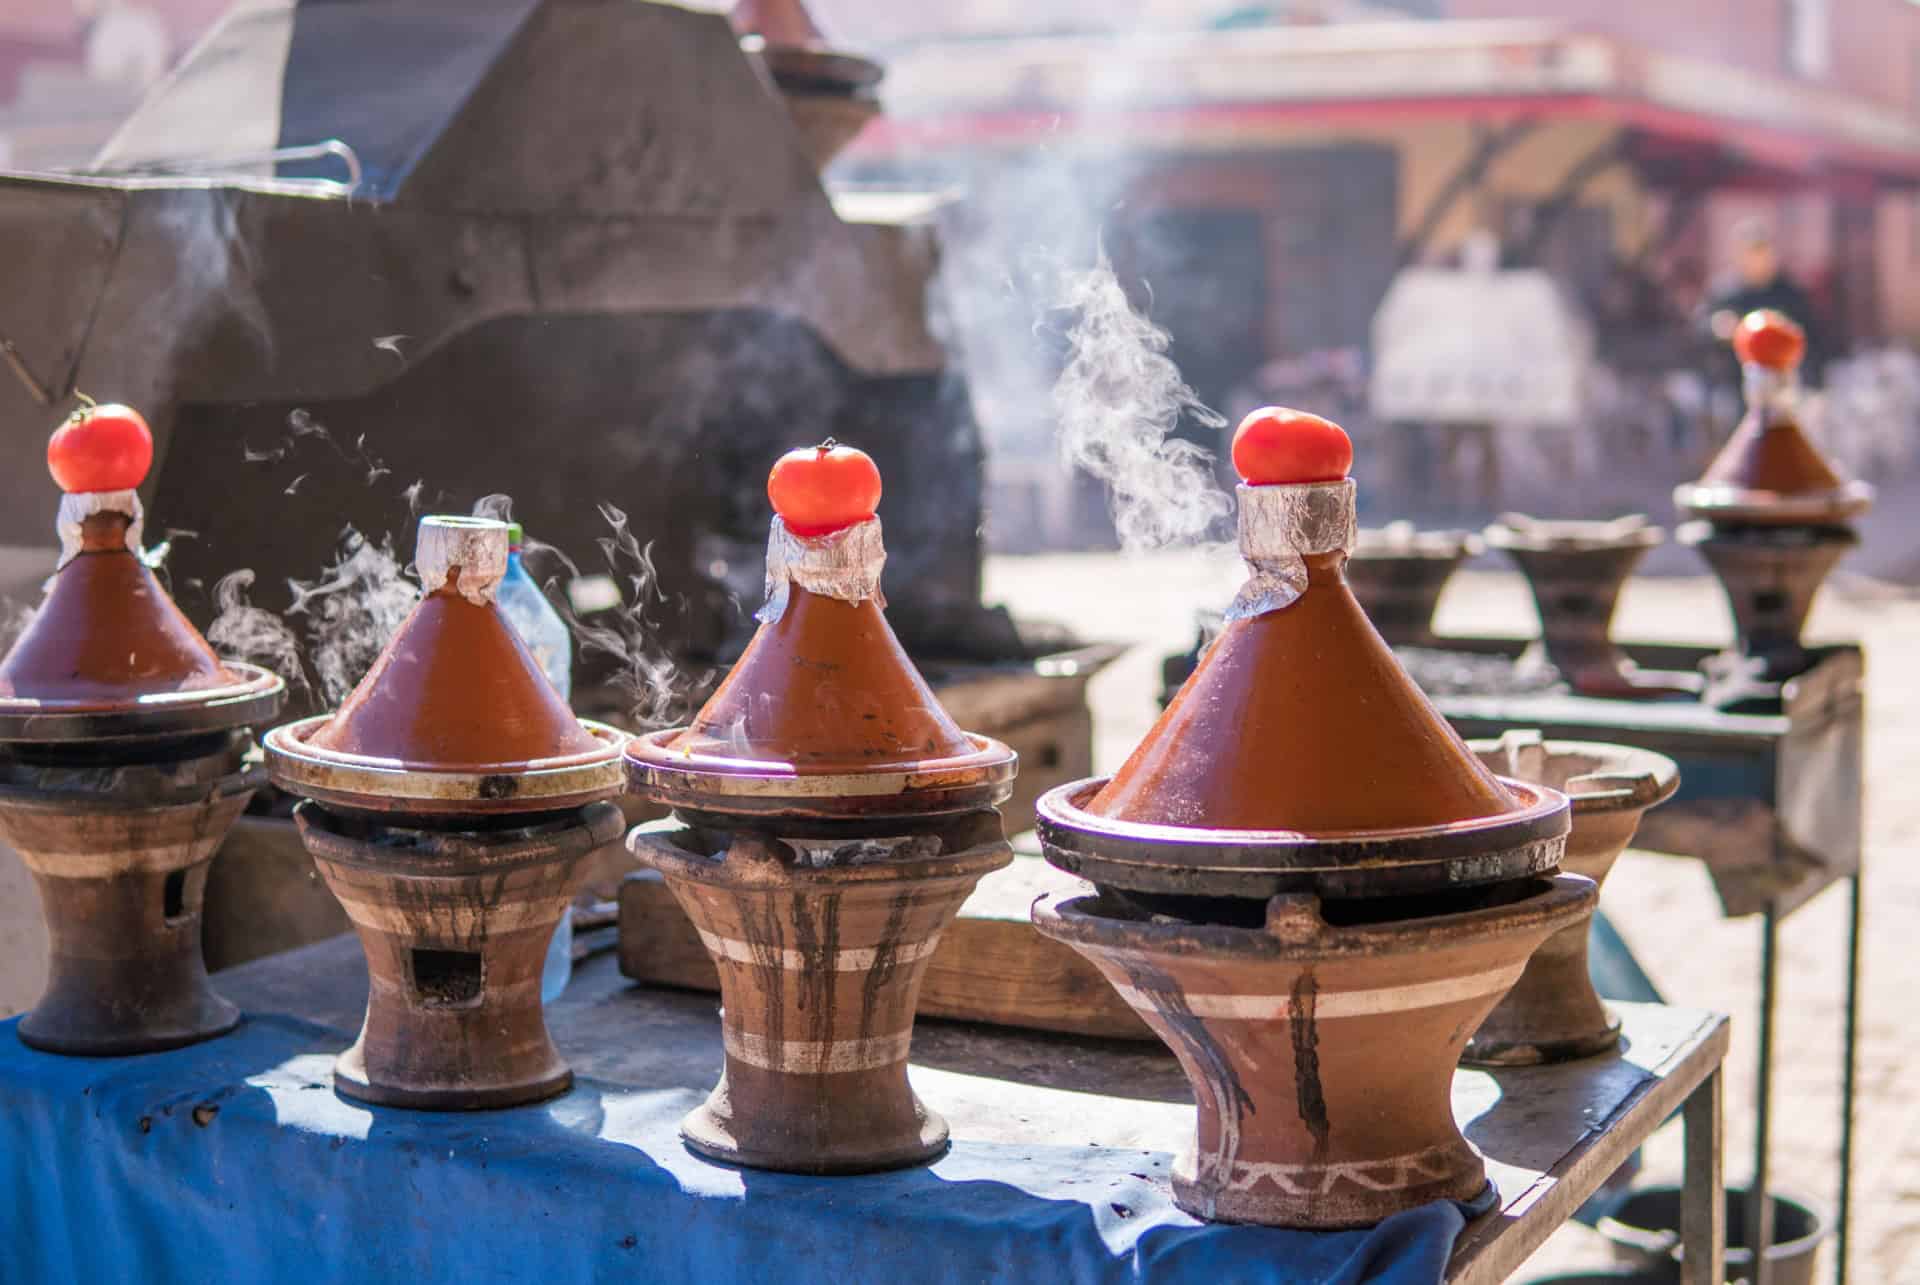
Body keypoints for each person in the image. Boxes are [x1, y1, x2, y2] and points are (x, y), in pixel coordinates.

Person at [1704, 217, 1826, 385]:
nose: (1757, 259)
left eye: (1761, 252)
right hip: (1733, 381)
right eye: (1751, 253)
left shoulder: (1789, 293)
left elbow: (1811, 337)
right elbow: (1701, 328)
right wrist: (1717, 327)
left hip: (1780, 380)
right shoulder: (1724, 293)